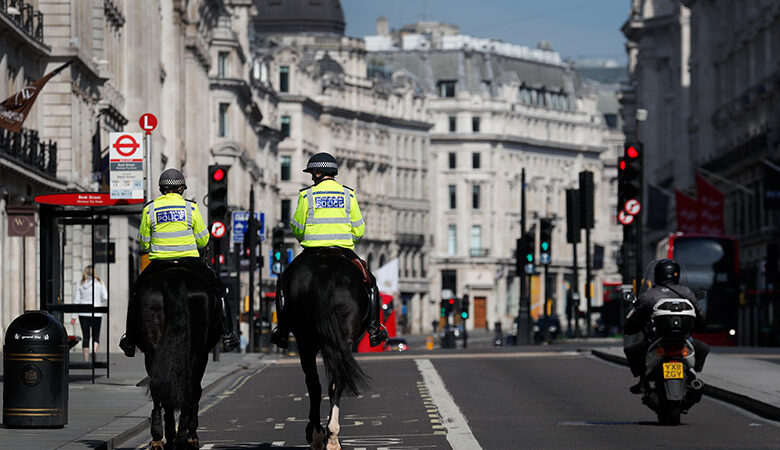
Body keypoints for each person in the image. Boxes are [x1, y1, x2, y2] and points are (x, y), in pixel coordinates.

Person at [270, 152, 388, 348]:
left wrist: (305, 239)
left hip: (312, 251)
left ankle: (282, 331)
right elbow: (359, 228)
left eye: (312, 173)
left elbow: (297, 226)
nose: (311, 177)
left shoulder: (306, 195)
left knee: (284, 283)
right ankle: (375, 328)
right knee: (371, 283)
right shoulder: (348, 194)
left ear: (317, 172)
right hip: (343, 250)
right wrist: (348, 240)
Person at [119, 168, 238, 357]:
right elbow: (202, 240)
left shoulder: (150, 208)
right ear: (182, 188)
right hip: (189, 261)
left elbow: (143, 241)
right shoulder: (190, 207)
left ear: (161, 189)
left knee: (136, 295)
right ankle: (228, 335)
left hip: (159, 263)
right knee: (220, 291)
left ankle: (130, 341)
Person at [623, 259, 710, 394]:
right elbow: (700, 317)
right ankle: (693, 376)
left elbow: (636, 320)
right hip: (683, 340)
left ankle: (641, 381)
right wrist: (700, 326)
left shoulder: (649, 295)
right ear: (677, 274)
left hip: (657, 340)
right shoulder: (687, 292)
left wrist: (629, 328)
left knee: (630, 351)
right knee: (703, 348)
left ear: (657, 275)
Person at [72, 265, 107, 362]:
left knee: (86, 336)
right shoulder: (99, 283)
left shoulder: (81, 284)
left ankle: (86, 359)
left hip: (83, 313)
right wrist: (98, 301)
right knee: (96, 335)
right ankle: (94, 350)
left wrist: (73, 316)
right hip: (97, 312)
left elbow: (76, 300)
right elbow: (105, 296)